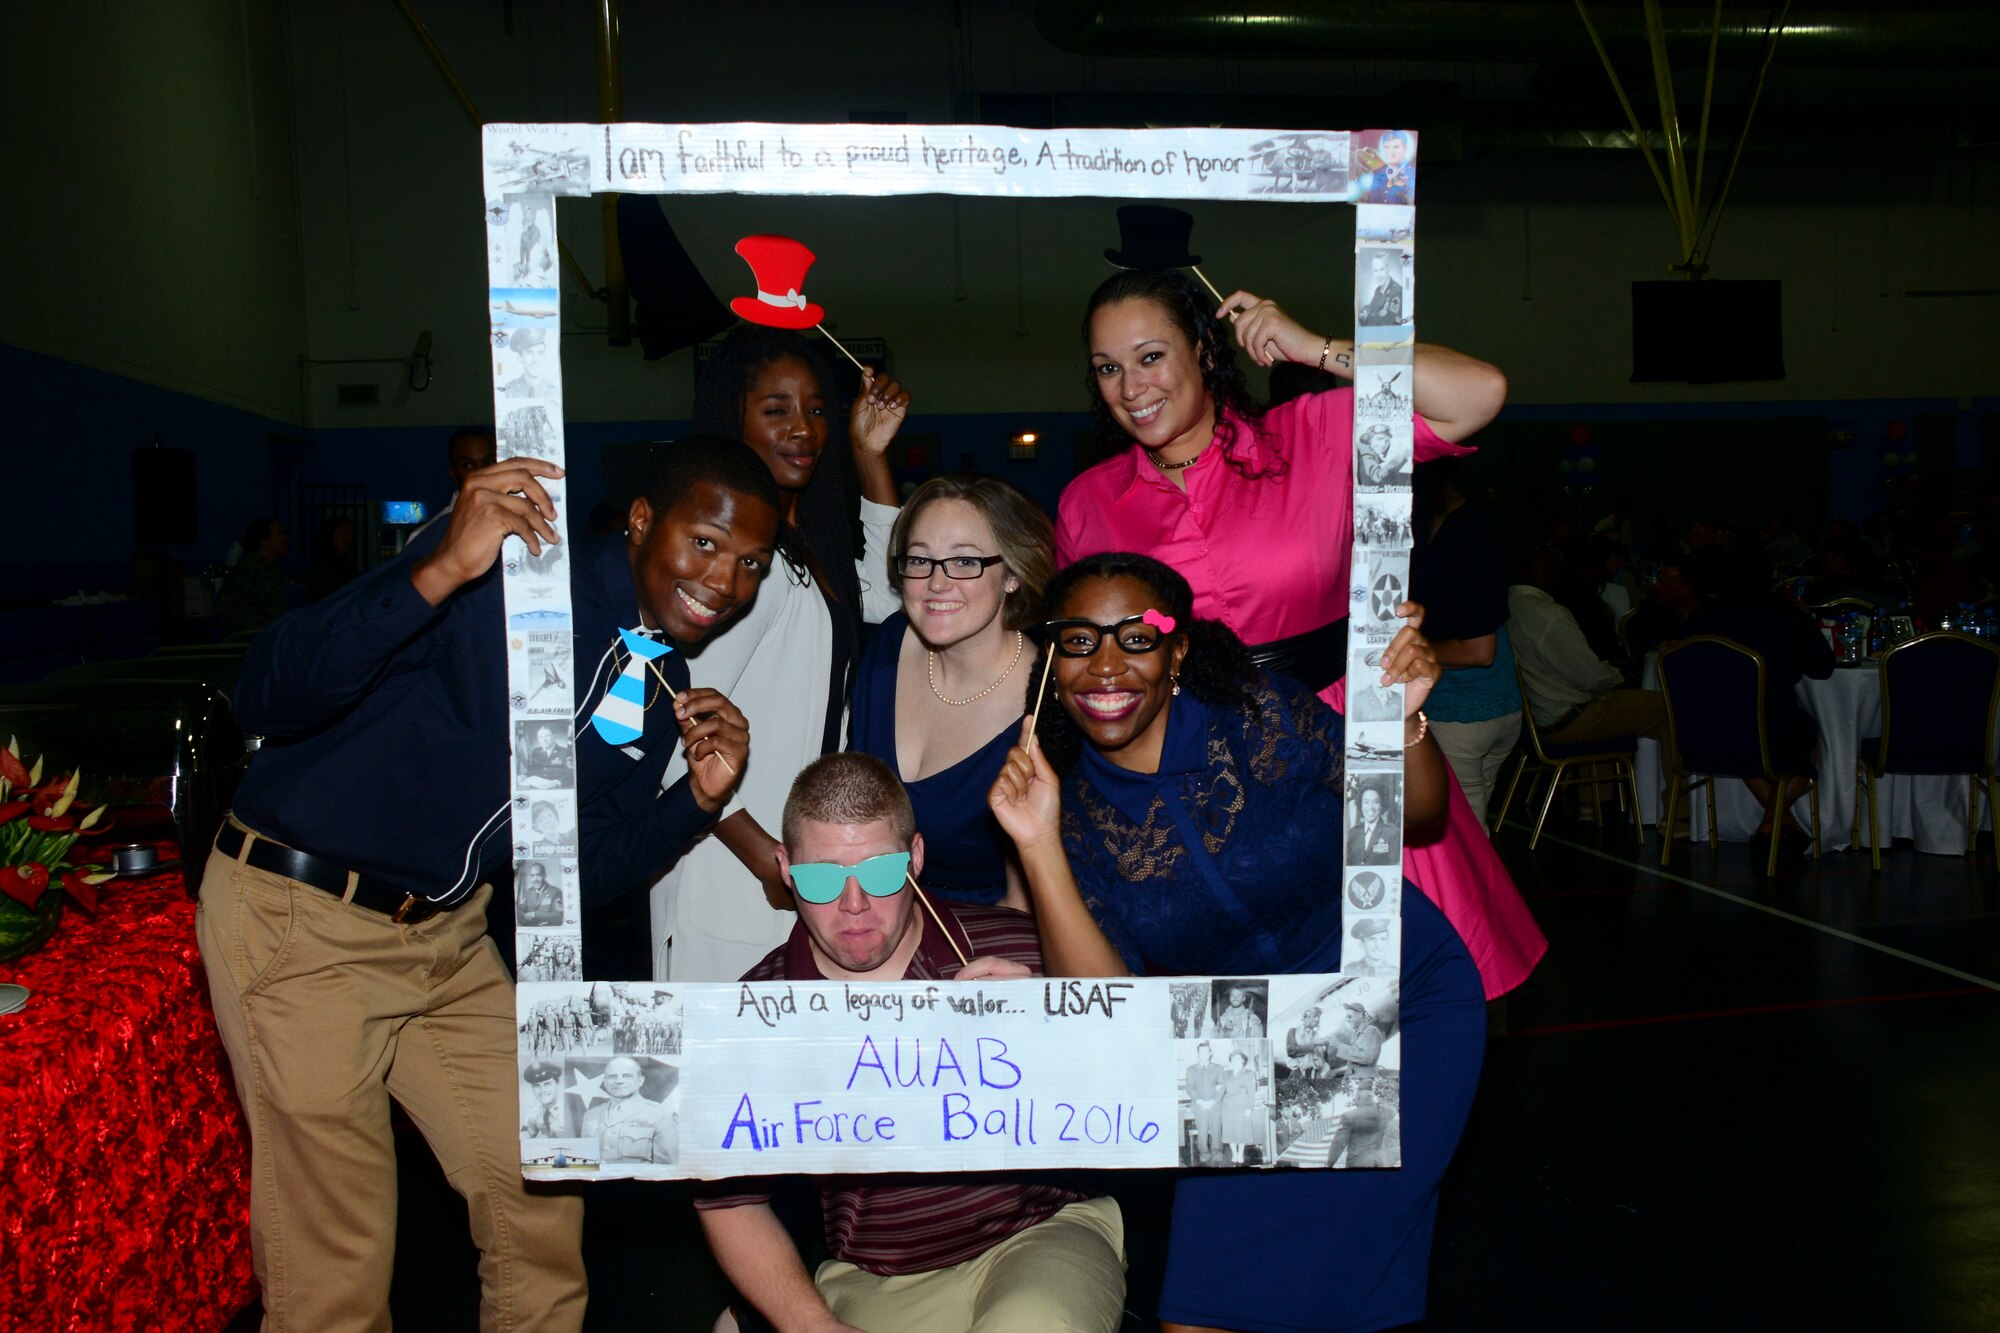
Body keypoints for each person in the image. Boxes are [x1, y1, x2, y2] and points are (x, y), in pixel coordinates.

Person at [203, 436, 778, 1330]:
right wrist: (437, 568)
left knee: (542, 1184)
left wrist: (696, 805)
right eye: (704, 542)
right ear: (640, 521)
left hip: (445, 935)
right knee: (338, 1261)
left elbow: (575, 868)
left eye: (750, 562)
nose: (725, 581)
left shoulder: (664, 680)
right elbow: (271, 688)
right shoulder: (504, 568)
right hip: (305, 914)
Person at [988, 554, 1486, 1333]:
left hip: (1392, 999)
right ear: (1053, 662)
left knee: (1339, 1295)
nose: (1107, 665)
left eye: (1136, 637)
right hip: (1240, 1041)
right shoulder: (1071, 807)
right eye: (1080, 641)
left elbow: (1415, 812)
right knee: (1201, 1309)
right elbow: (1106, 1005)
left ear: (1179, 650)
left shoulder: (1260, 715)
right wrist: (1038, 841)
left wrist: (1405, 719)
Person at [1053, 267, 1545, 1005]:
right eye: (1108, 369)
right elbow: (1088, 665)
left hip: (1344, 740)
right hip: (1196, 786)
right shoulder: (1088, 502)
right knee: (1263, 1059)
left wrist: (1316, 346)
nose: (1130, 387)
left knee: (1414, 1013)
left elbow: (1479, 392)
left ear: (1205, 348)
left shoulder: (1313, 433)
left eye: (1151, 356)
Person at [694, 753, 1125, 1333]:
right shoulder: (756, 1013)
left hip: (1042, 1233)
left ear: (916, 859)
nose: (853, 903)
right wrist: (808, 1324)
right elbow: (729, 1200)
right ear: (786, 869)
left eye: (880, 872)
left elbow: (1138, 1075)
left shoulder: (1018, 950)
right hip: (878, 1275)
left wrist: (1054, 1020)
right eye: (822, 877)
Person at [651, 326, 909, 983]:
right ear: (731, 418)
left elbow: (884, 595)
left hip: (799, 870)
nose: (803, 428)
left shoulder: (802, 542)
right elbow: (673, 726)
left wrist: (870, 452)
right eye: (777, 410)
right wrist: (766, 855)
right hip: (730, 873)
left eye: (817, 410)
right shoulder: (739, 571)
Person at [849, 476, 1054, 910]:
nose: (937, 583)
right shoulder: (887, 646)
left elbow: (1051, 885)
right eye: (920, 560)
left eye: (964, 562)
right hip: (868, 914)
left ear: (1013, 574)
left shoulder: (1049, 706)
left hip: (987, 943)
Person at [1411, 457, 1523, 822]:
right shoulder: (1436, 526)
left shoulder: (1471, 531)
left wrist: (1410, 653)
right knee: (1473, 827)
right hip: (1488, 704)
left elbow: (1479, 650)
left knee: (1465, 833)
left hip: (1467, 709)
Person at [1509, 546, 1667, 747]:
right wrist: (1618, 674)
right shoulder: (1548, 614)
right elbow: (1591, 678)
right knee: (1668, 708)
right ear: (1549, 575)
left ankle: (1607, 776)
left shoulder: (1509, 607)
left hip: (1536, 722)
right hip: (1570, 718)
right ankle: (1680, 777)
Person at [582, 1055, 677, 1165]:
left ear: (640, 1080)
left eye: (627, 1076)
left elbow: (667, 1168)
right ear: (605, 1082)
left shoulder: (661, 1115)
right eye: (612, 1076)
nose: (619, 1081)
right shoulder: (591, 1115)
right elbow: (586, 1165)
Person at [218, 517, 289, 634]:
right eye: (279, 534)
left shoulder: (273, 570)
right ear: (264, 541)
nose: (285, 538)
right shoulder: (247, 569)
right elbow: (227, 608)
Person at [1219, 1050, 1264, 1165]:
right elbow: (1221, 1090)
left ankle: (1240, 1153)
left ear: (1243, 1060)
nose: (1235, 1061)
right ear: (1231, 1061)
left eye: (1238, 1059)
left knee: (1242, 1131)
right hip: (1227, 1106)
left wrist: (1249, 1107)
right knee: (1230, 1131)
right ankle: (1234, 1153)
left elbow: (1251, 1093)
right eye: (1233, 1059)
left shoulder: (1249, 1073)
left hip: (1242, 1106)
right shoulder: (1225, 1073)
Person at [1185, 1042, 1226, 1163]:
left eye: (1206, 1051)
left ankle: (1217, 1151)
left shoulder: (1218, 1068)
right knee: (1202, 1130)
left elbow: (1222, 1086)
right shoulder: (1191, 1069)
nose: (1204, 1054)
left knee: (1216, 1129)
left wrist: (1212, 1101)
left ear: (1210, 1053)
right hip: (1199, 1106)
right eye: (1201, 1052)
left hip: (1215, 1105)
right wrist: (1200, 1101)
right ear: (1198, 1054)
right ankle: (1204, 1152)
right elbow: (1190, 1088)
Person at [1346, 784, 1401, 865]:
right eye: (1366, 802)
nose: (1370, 807)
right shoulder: (1353, 833)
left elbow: (1394, 867)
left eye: (1376, 802)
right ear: (1361, 806)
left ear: (1381, 806)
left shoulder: (1393, 833)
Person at [309, 514, 360, 601]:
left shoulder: (346, 565)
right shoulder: (323, 570)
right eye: (344, 533)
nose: (349, 538)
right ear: (330, 535)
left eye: (351, 534)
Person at [522, 1061, 566, 1138]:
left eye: (547, 1084)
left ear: (557, 1083)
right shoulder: (536, 1115)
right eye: (537, 1085)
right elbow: (523, 1138)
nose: (542, 1090)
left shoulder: (570, 1110)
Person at [516, 860, 563, 927]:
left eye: (538, 875)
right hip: (530, 929)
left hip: (547, 930)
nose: (535, 879)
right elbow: (518, 911)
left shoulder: (555, 892)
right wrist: (524, 916)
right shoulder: (528, 892)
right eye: (532, 876)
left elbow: (558, 916)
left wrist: (534, 915)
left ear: (544, 875)